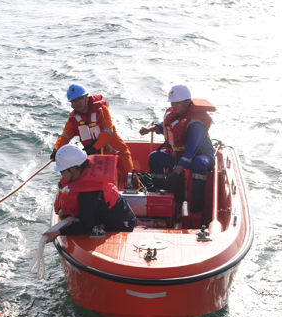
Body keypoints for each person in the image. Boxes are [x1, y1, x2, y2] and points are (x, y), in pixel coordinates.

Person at [139, 85, 216, 213]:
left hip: (199, 154)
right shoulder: (173, 114)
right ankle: (161, 191)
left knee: (199, 163)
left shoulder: (195, 122)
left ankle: (197, 201)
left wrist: (176, 172)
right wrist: (149, 129)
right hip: (180, 153)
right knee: (154, 157)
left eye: (177, 102)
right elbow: (165, 126)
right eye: (172, 102)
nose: (174, 105)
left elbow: (192, 149)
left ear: (187, 102)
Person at [43, 145, 136, 240]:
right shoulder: (82, 170)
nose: (61, 175)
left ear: (73, 170)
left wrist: (57, 233)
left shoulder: (88, 193)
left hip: (120, 224)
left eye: (61, 171)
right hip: (102, 213)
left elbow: (85, 225)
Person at [51, 84, 134, 185]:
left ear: (86, 98)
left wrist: (94, 148)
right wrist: (56, 149)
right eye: (73, 101)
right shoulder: (73, 120)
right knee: (95, 186)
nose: (77, 102)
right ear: (71, 104)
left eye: (80, 98)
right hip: (95, 159)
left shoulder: (102, 109)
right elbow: (65, 136)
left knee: (131, 179)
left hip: (117, 152)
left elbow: (108, 132)